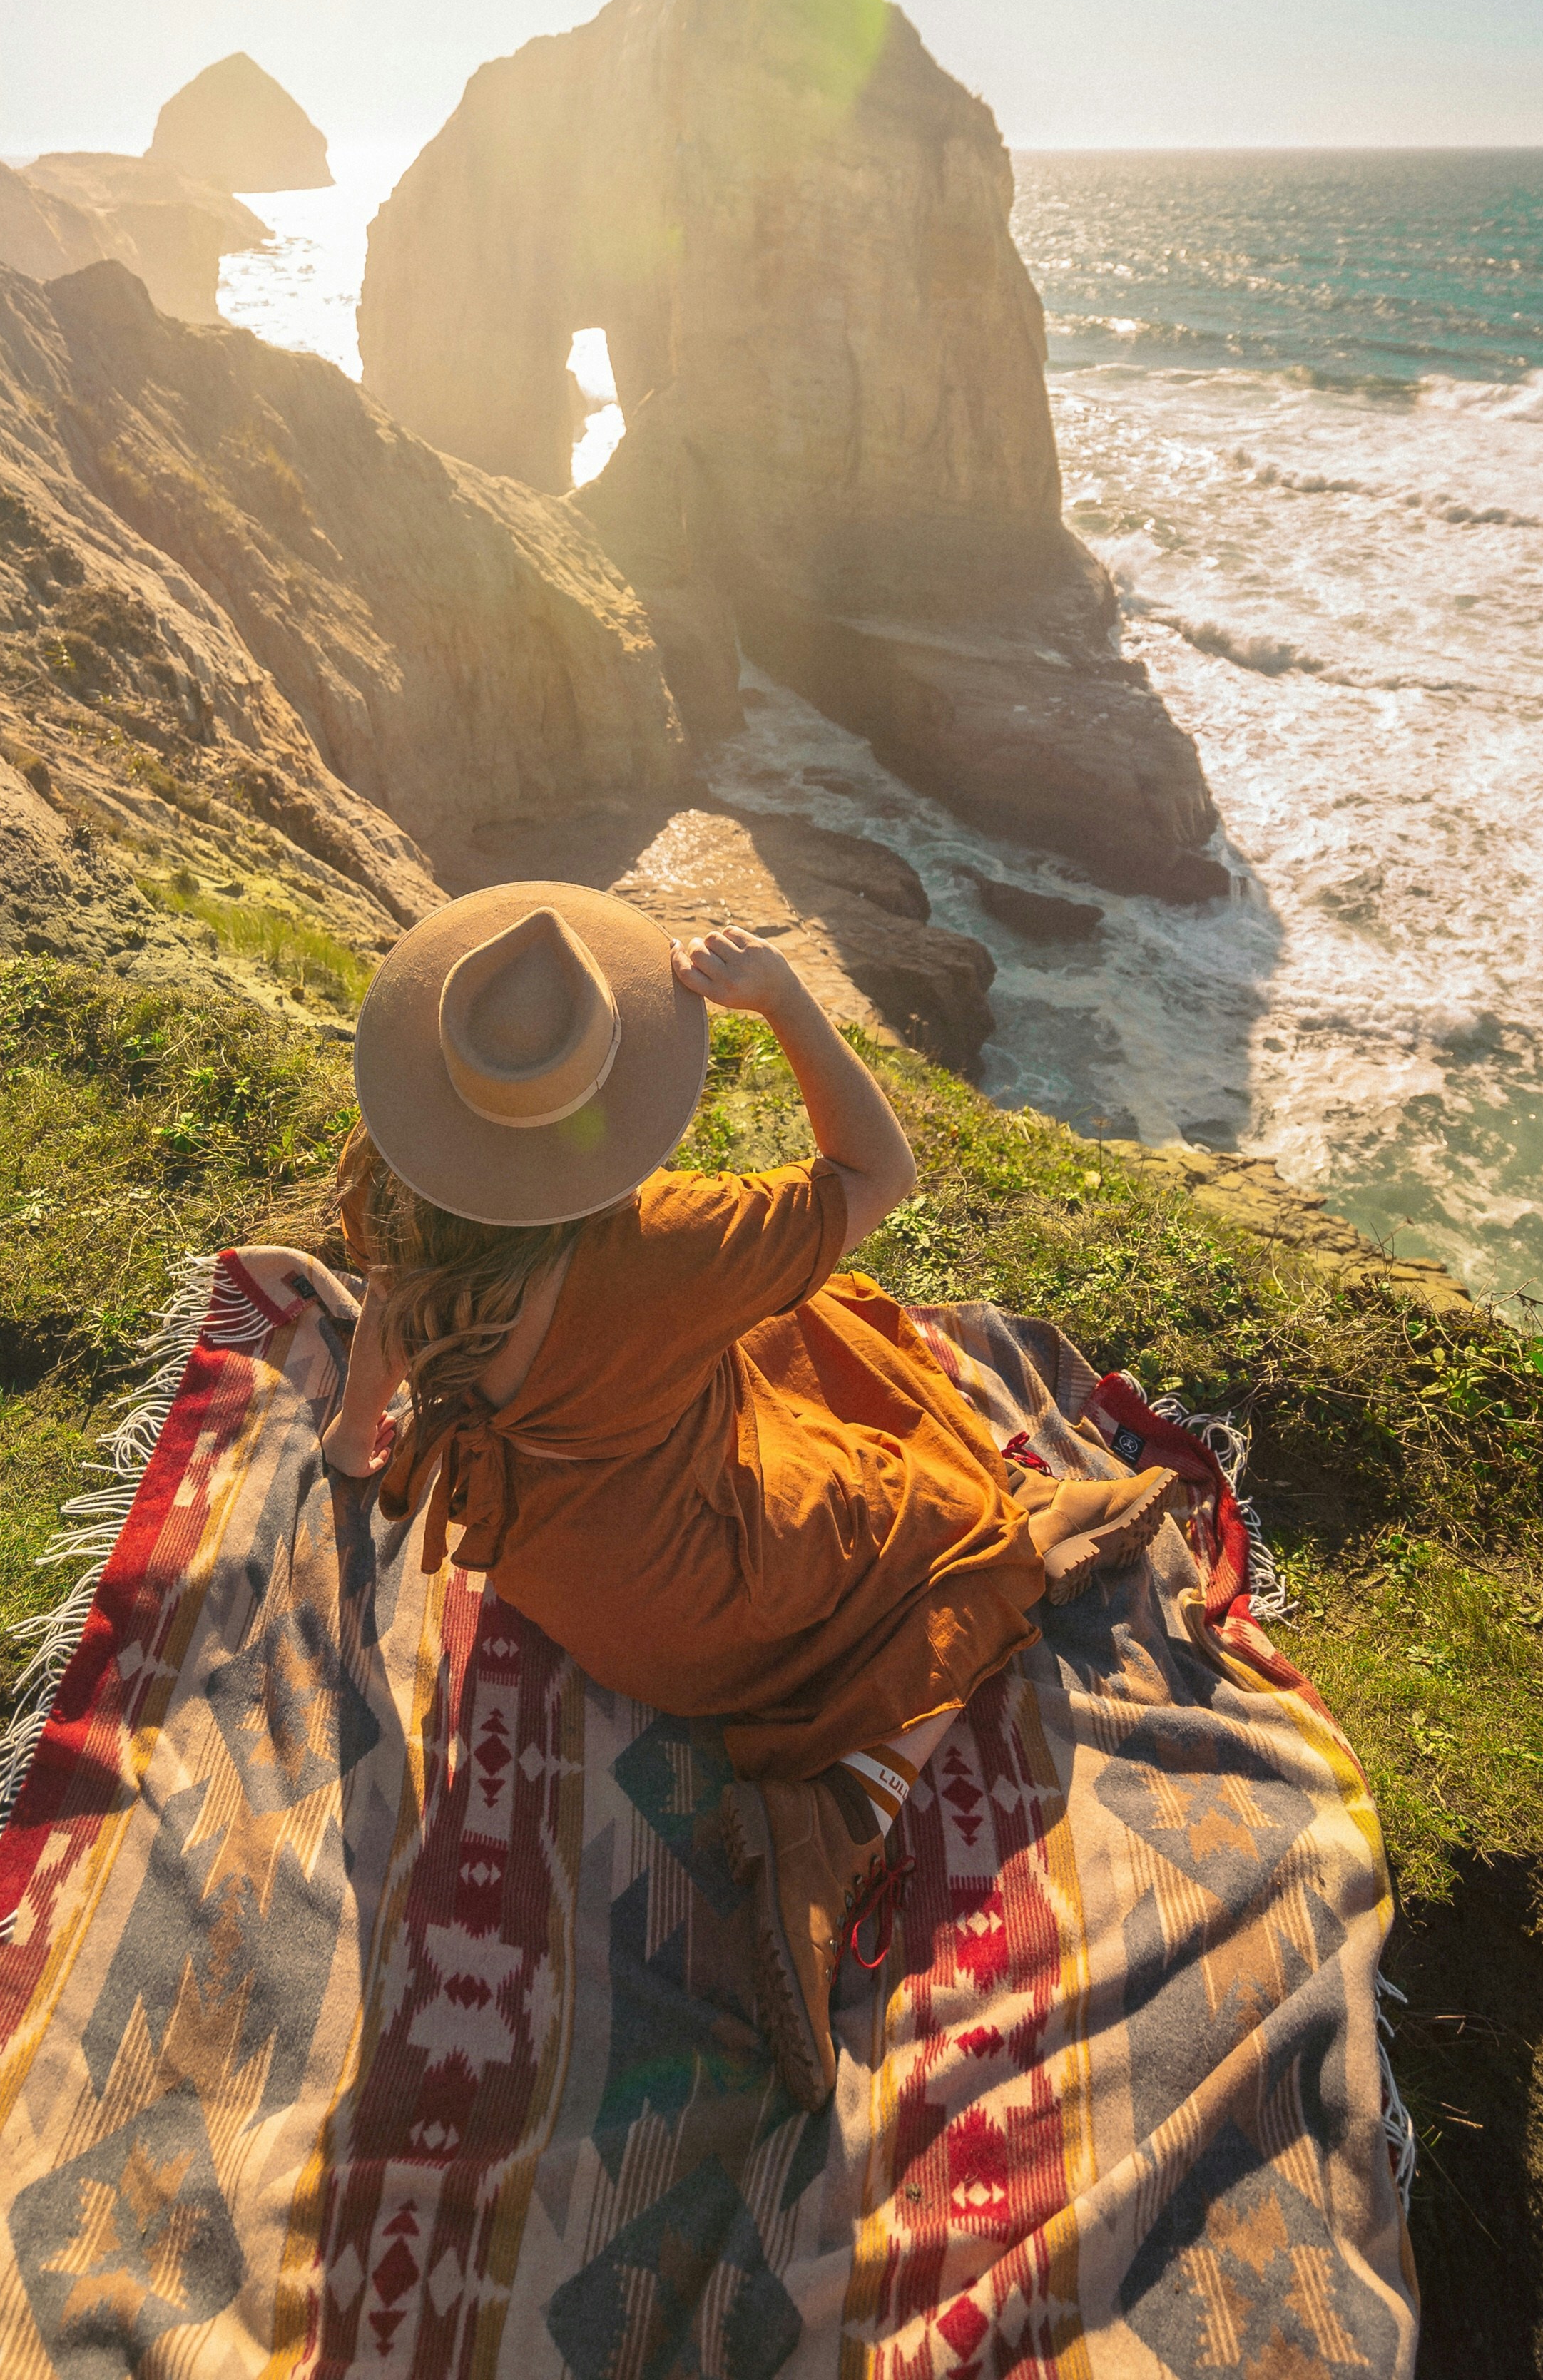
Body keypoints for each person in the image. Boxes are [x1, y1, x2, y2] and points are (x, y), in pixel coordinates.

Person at [325, 882, 1171, 2108]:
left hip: (552, 1583)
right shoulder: (672, 1247)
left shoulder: (415, 1228)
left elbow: (383, 1345)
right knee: (945, 1527)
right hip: (707, 1612)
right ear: (614, 1102)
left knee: (804, 1329)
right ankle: (834, 1820)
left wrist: (357, 1444)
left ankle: (976, 1592)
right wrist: (782, 1002)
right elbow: (879, 1169)